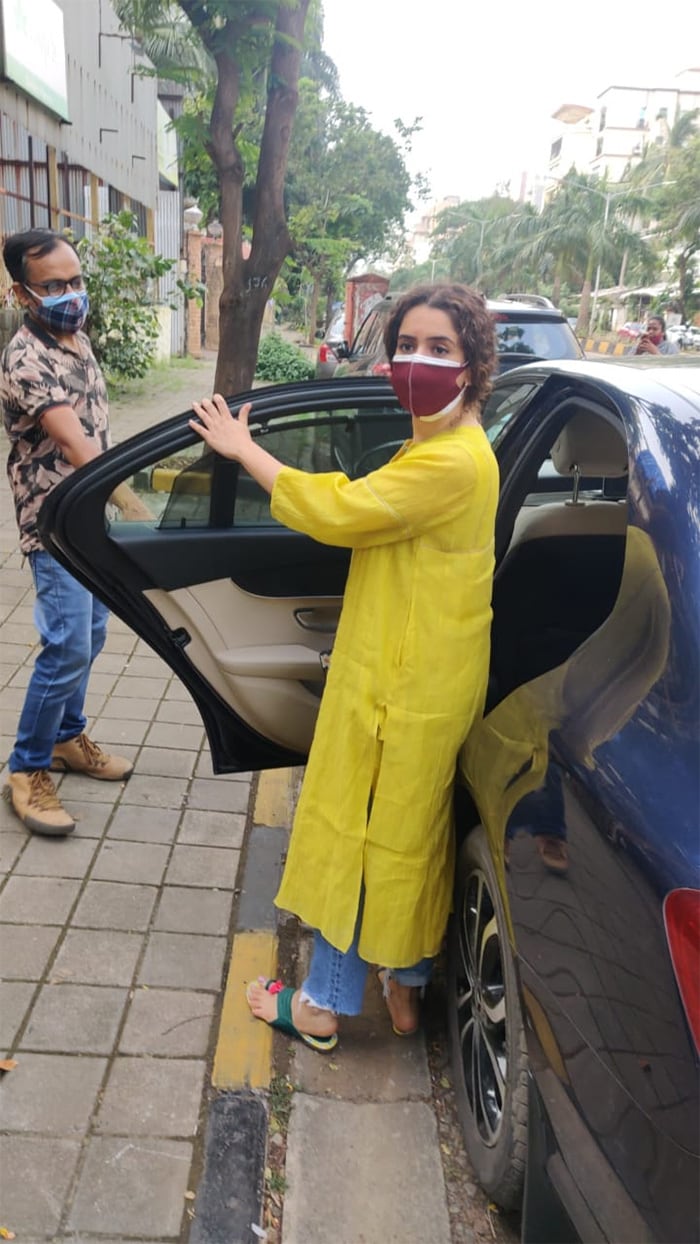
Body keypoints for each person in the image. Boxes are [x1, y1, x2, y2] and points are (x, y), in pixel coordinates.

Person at [191, 282, 499, 1049]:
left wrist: (244, 450)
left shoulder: (452, 461)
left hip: (403, 686)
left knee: (362, 837)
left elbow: (343, 513)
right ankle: (406, 984)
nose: (415, 361)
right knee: (411, 833)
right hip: (423, 676)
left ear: (472, 364)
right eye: (407, 344)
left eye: (439, 348)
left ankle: (323, 1004)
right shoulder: (443, 444)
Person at [1, 228, 144, 837]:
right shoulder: (24, 358)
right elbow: (70, 439)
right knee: (68, 644)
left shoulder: (74, 337)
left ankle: (65, 737)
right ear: (21, 293)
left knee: (92, 630)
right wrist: (135, 504)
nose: (71, 294)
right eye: (53, 285)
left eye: (76, 280)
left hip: (88, 513)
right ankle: (26, 767)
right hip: (55, 520)